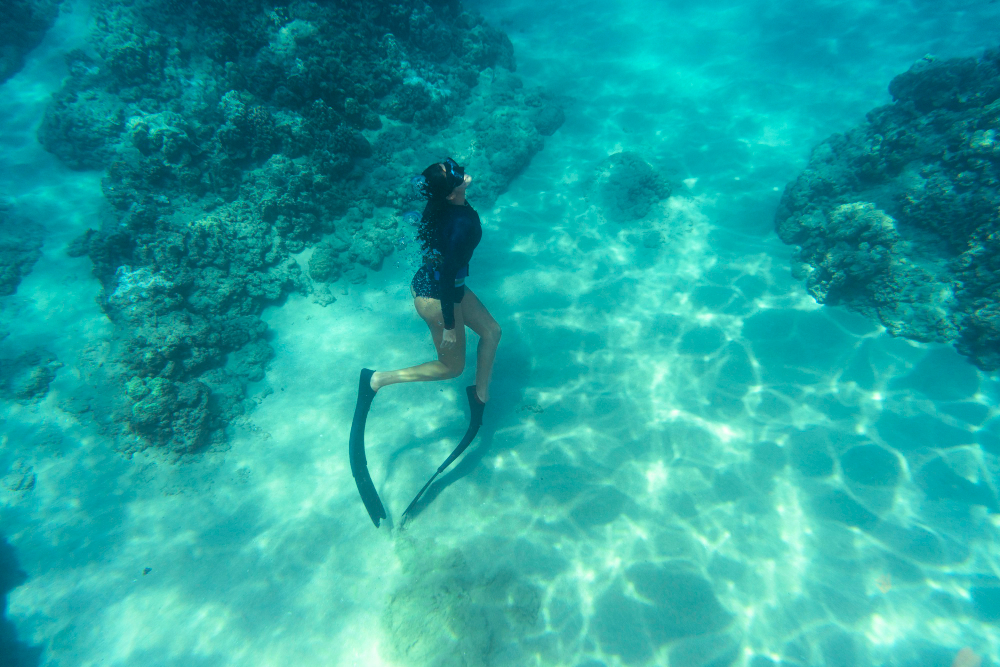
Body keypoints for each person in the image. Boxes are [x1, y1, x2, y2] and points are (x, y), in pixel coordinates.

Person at [349, 157, 502, 527]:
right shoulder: (460, 223)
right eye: (455, 174)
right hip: (439, 297)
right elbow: (449, 273)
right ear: (451, 192)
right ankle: (376, 379)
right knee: (452, 367)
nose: (462, 171)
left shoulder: (448, 207)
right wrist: (451, 325)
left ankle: (479, 398)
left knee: (493, 333)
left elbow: (448, 268)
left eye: (456, 167)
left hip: (444, 285)